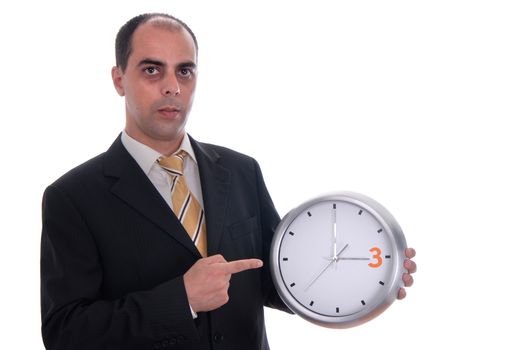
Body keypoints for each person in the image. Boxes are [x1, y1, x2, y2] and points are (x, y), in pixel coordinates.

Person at [40, 13, 417, 350]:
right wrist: (182, 298)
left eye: (184, 70)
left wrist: (364, 287)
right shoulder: (72, 197)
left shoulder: (241, 171)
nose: (172, 86)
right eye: (152, 70)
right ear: (119, 79)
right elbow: (65, 332)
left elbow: (274, 279)